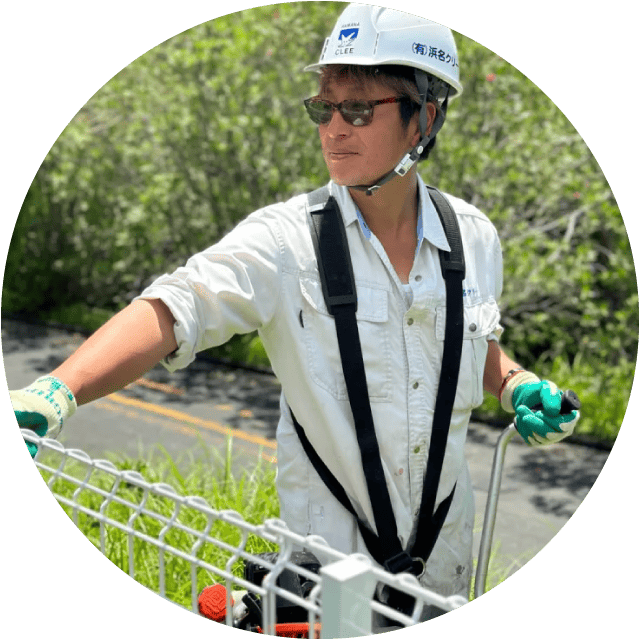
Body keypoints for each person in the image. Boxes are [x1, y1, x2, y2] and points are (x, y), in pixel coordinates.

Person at [10, 3, 579, 626]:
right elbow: (176, 306)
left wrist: (516, 383)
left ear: (425, 117)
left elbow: (468, 339)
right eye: (322, 109)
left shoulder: (474, 238)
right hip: (324, 589)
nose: (334, 129)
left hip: (444, 579)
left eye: (358, 110)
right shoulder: (286, 242)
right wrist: (55, 393)